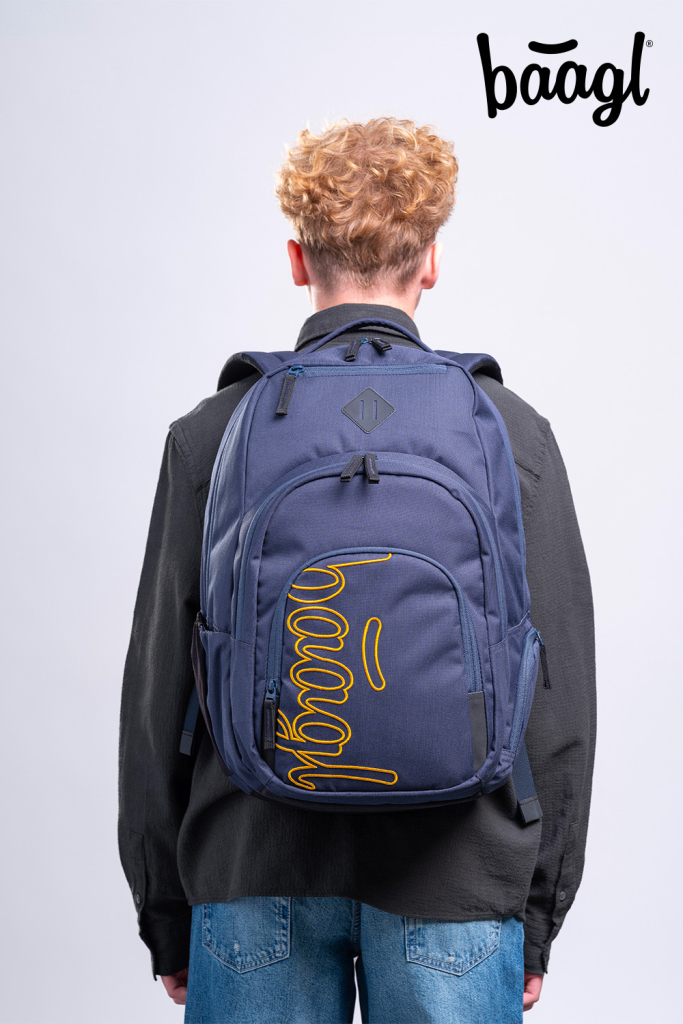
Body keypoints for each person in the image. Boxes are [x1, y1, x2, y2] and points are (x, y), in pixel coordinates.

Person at [118, 117, 595, 1024]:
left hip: (251, 866)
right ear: (431, 262)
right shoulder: (510, 433)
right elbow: (560, 695)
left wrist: (166, 912)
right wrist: (536, 912)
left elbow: (155, 694)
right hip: (458, 877)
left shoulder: (212, 433)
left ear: (297, 260)